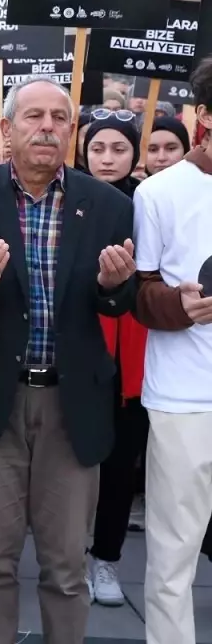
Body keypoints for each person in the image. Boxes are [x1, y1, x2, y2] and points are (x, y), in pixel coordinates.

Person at [0, 77, 137, 644]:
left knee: (66, 566)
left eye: (59, 117)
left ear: (71, 131)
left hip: (72, 407)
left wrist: (111, 288)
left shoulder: (108, 205)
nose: (47, 126)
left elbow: (121, 300)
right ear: (6, 129)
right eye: (34, 116)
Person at [133, 57, 212, 644]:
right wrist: (178, 306)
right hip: (186, 397)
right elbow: (139, 292)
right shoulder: (160, 192)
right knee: (173, 556)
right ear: (204, 116)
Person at [79, 114, 147, 608]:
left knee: (121, 463)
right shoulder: (74, 200)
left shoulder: (151, 202)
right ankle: (71, 550)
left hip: (135, 353)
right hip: (83, 346)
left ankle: (106, 557)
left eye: (118, 148)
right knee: (77, 461)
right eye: (98, 147)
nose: (107, 158)